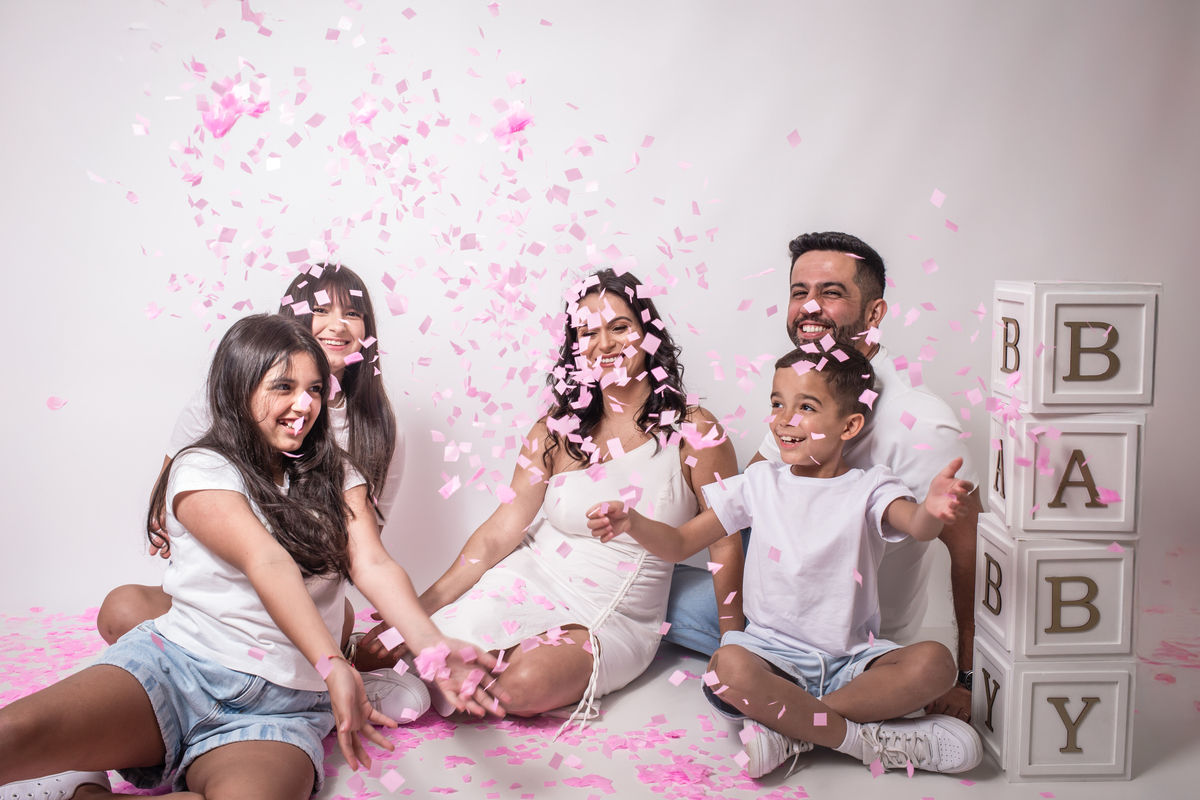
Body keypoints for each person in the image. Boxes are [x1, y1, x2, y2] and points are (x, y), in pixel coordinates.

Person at [0, 315, 504, 800]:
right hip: (179, 668)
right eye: (282, 387)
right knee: (11, 735)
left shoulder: (339, 473)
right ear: (238, 389)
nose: (303, 404)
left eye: (313, 389)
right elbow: (265, 560)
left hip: (283, 711)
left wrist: (434, 650)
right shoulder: (202, 467)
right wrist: (333, 664)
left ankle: (82, 791)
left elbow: (372, 563)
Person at [356, 268, 739, 731]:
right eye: (588, 333)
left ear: (648, 333)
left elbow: (725, 537)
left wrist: (734, 641)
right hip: (524, 580)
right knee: (380, 649)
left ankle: (428, 680)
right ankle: (426, 673)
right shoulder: (555, 430)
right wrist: (416, 611)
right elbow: (500, 533)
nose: (605, 343)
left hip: (610, 615)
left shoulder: (694, 429)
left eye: (620, 327)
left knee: (519, 690)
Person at [587, 346, 982, 778]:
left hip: (849, 663)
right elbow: (681, 543)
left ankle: (791, 730)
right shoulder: (759, 482)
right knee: (726, 668)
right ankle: (860, 741)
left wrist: (933, 508)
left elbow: (917, 524)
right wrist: (633, 522)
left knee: (936, 663)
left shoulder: (871, 487)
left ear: (849, 425)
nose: (783, 419)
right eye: (777, 403)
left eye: (806, 407)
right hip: (769, 658)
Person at [664, 231, 982, 720]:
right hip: (771, 625)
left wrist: (964, 677)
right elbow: (743, 510)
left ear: (874, 314)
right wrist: (735, 635)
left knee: (647, 604)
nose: (809, 307)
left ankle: (801, 718)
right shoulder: (799, 395)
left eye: (830, 293)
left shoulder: (923, 422)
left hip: (858, 644)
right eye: (799, 292)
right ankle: (817, 716)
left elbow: (970, 555)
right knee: (650, 590)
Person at [97, 265, 406, 653]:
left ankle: (319, 660)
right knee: (120, 609)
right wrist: (175, 520)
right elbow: (173, 491)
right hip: (230, 587)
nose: (338, 325)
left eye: (353, 313)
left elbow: (367, 545)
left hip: (307, 590)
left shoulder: (376, 428)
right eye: (322, 309)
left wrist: (413, 626)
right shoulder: (226, 400)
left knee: (334, 623)